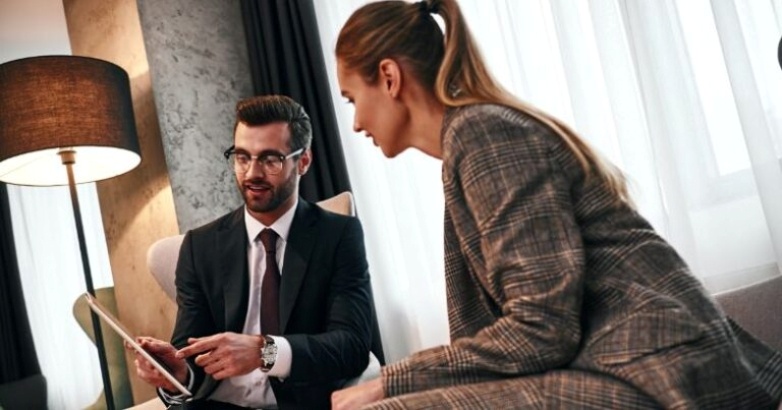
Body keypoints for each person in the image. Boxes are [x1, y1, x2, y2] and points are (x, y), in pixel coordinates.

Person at [331, 0, 782, 409]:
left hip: (658, 371)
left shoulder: (484, 136)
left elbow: (543, 328)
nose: (354, 123)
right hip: (610, 364)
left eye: (353, 99)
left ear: (389, 78)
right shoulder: (469, 145)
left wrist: (391, 382)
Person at [129, 95, 384, 409]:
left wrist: (266, 351)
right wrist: (176, 372)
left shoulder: (338, 235)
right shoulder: (200, 246)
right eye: (242, 157)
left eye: (270, 159)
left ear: (302, 161)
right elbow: (191, 353)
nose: (252, 173)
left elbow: (352, 345)